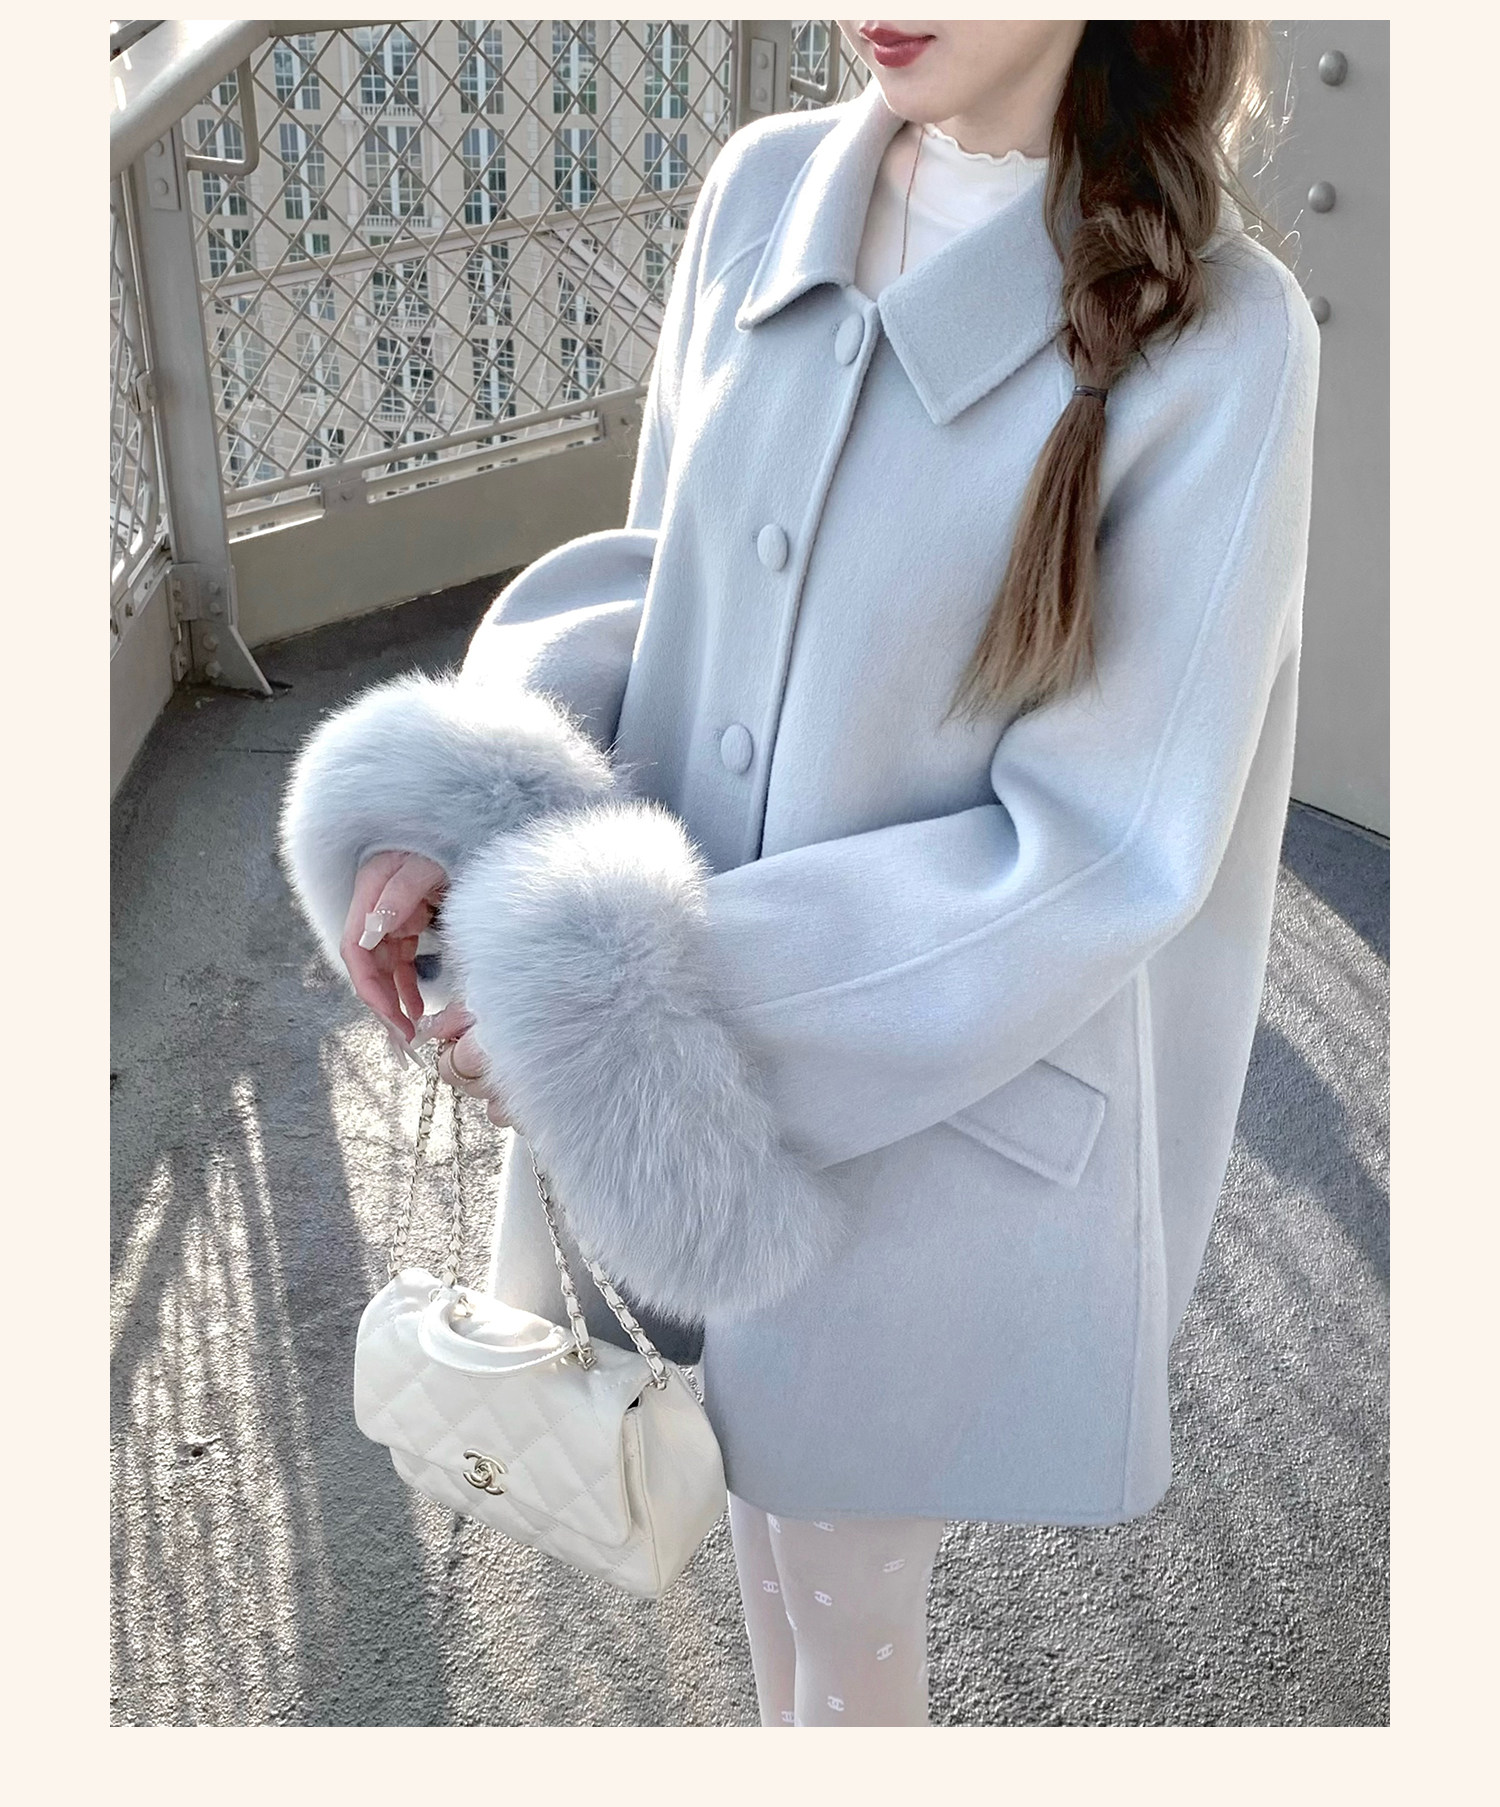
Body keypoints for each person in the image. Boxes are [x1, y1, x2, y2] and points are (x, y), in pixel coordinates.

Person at [278, 20, 1320, 1727]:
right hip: (701, 1104)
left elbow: (1109, 843)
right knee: (771, 1565)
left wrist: (628, 1005)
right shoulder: (763, 189)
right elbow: (661, 576)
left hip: (927, 1129)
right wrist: (458, 814)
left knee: (845, 1632)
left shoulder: (1228, 333)